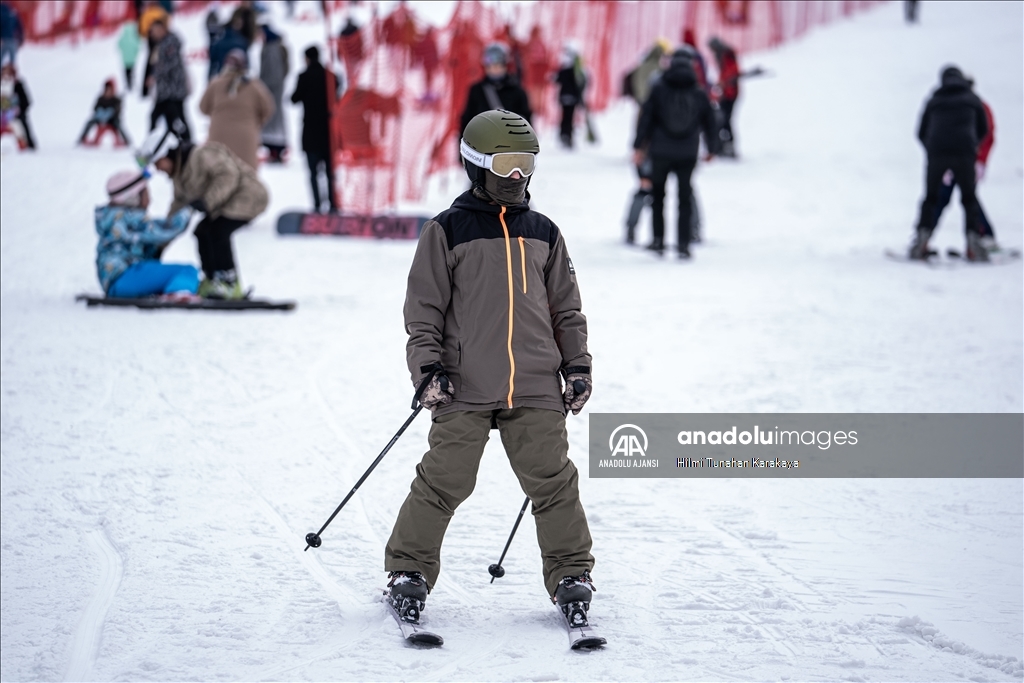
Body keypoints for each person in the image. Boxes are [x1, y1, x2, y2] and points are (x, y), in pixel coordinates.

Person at [384, 109, 598, 632]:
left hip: (534, 386)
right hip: (464, 385)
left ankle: (571, 575)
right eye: (507, 163)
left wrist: (577, 366)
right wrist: (427, 370)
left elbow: (565, 308)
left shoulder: (544, 232)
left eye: (527, 162)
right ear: (477, 165)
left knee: (553, 484)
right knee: (444, 481)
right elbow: (424, 310)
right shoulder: (447, 230)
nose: (518, 175)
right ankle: (407, 570)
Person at [139, 122, 269, 299]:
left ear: (168, 153)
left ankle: (230, 283)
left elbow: (228, 174)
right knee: (202, 231)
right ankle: (212, 279)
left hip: (249, 197)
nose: (158, 169)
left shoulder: (201, 155)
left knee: (218, 231)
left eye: (158, 163)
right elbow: (176, 209)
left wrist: (206, 201)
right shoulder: (179, 176)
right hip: (225, 203)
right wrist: (160, 245)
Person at [633, 48, 718, 257]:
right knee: (685, 198)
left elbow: (646, 119)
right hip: (688, 153)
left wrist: (638, 146)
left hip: (660, 151)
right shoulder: (699, 92)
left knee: (658, 197)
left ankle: (658, 241)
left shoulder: (659, 88)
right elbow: (710, 121)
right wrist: (712, 148)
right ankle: (683, 245)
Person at [910, 65, 989, 261]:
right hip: (964, 153)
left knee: (930, 198)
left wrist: (932, 149)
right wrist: (972, 146)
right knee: (969, 199)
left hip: (937, 154)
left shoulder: (934, 99)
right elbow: (983, 127)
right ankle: (973, 244)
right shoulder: (972, 99)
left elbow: (921, 131)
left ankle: (921, 240)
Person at [96, 169, 199, 299]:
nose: (150, 198)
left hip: (114, 283)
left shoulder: (113, 217)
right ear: (132, 197)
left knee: (161, 271)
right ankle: (178, 294)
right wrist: (190, 209)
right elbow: (166, 229)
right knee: (187, 271)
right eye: (145, 193)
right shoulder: (129, 218)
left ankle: (171, 290)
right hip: (126, 276)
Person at [200, 49, 274, 169]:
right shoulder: (254, 86)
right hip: (246, 138)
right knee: (246, 179)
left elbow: (202, 108)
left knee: (218, 177)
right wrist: (256, 122)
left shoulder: (216, 84)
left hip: (218, 137)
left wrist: (218, 115)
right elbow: (268, 108)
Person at [290, 46, 336, 213]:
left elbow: (294, 98)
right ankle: (333, 205)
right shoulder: (331, 77)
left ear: (307, 58)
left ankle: (317, 205)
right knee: (331, 173)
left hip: (310, 131)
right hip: (328, 132)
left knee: (313, 173)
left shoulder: (304, 77)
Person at [458, 43, 532, 139]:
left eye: (498, 65)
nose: (494, 69)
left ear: (505, 65)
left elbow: (527, 124)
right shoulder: (477, 91)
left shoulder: (517, 92)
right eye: (491, 65)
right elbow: (466, 122)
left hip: (510, 146)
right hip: (482, 145)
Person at [146, 15, 192, 142]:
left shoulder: (171, 43)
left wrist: (156, 74)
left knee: (176, 119)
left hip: (173, 91)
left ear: (162, 29)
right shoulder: (161, 44)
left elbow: (170, 64)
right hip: (166, 91)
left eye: (155, 30)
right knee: (170, 120)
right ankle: (168, 144)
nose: (153, 33)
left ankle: (187, 143)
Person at [258, 24, 289, 163]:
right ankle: (274, 149)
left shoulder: (272, 50)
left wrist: (262, 85)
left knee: (273, 121)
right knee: (273, 121)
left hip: (272, 91)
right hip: (273, 90)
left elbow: (273, 74)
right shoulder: (274, 47)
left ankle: (276, 150)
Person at [708, 36, 740, 158]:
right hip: (726, 93)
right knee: (723, 120)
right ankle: (724, 146)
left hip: (730, 93)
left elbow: (732, 72)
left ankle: (729, 146)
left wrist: (723, 83)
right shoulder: (723, 55)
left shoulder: (726, 54)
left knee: (726, 120)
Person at [78, 79, 131, 146]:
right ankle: (83, 137)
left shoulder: (116, 99)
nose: (108, 91)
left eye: (110, 90)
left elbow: (118, 110)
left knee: (118, 125)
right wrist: (100, 112)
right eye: (107, 89)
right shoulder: (101, 98)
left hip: (112, 120)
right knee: (90, 122)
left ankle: (126, 140)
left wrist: (111, 112)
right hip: (100, 118)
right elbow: (95, 108)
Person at [554, 45, 586, 149]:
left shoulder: (564, 69)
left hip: (565, 97)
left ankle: (564, 135)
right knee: (569, 118)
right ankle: (567, 136)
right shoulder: (575, 71)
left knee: (565, 117)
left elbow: (557, 80)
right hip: (572, 97)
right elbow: (581, 83)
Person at [0, 60, 34, 149]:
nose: (6, 76)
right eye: (4, 73)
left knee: (19, 126)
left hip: (14, 115)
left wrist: (17, 110)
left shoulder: (18, 85)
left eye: (8, 73)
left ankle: (25, 144)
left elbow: (26, 101)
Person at [118, 20, 140, 91]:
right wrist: (135, 54)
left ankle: (128, 83)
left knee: (126, 72)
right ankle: (131, 83)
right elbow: (137, 47)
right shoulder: (133, 39)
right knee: (131, 71)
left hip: (125, 59)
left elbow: (119, 45)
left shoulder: (123, 38)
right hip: (132, 60)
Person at [0, 1, 23, 66]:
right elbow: (20, 27)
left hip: (3, 40)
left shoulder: (2, 15)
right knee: (12, 58)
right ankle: (12, 73)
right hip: (12, 39)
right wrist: (20, 39)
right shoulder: (13, 14)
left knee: (1, 57)